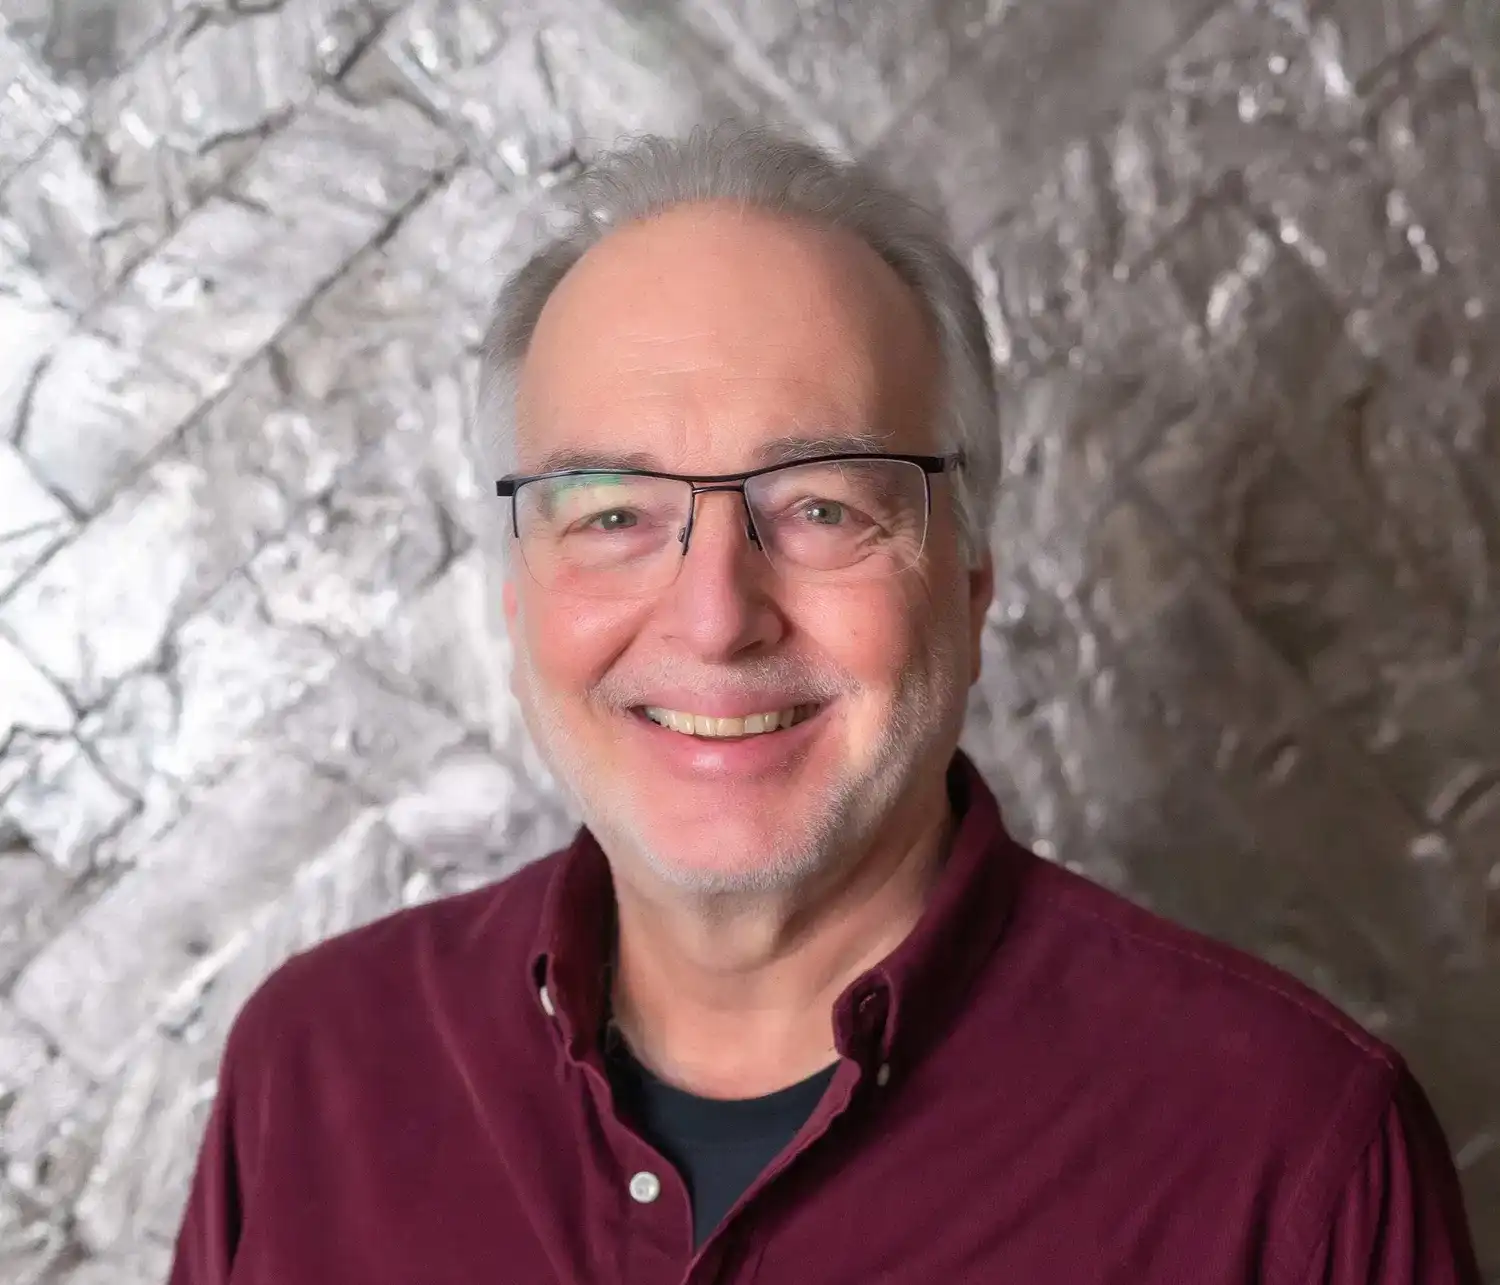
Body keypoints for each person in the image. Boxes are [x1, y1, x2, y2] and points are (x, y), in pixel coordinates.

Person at [168, 125, 1483, 1284]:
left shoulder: (1297, 1157)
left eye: (822, 506)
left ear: (968, 583)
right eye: (616, 512)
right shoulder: (317, 1074)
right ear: (517, 598)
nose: (715, 615)